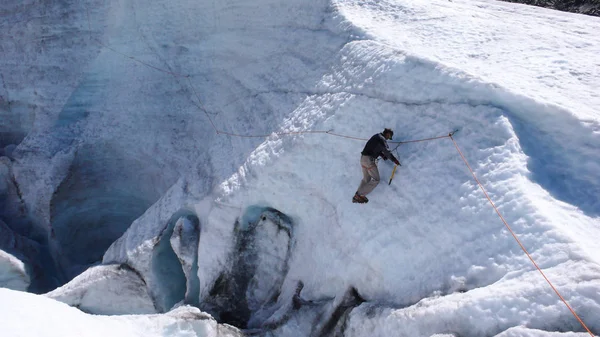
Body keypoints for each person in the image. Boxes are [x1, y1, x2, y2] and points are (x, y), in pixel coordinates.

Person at [353, 128, 400, 203]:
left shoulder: (376, 136)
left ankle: (357, 195)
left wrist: (381, 155)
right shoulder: (382, 140)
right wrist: (395, 160)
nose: (388, 139)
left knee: (366, 179)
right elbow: (386, 152)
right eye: (389, 137)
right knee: (376, 179)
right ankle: (360, 195)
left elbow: (375, 148)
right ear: (388, 134)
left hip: (363, 159)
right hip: (369, 160)